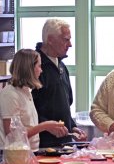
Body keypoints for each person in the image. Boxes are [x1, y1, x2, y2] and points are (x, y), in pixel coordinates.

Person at [32, 18, 87, 148]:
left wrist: (72, 126)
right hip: (43, 144)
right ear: (50, 40)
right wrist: (47, 126)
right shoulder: (34, 68)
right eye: (66, 39)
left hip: (64, 142)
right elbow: (28, 110)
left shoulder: (61, 66)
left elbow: (66, 104)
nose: (70, 45)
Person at [0, 49, 64, 152]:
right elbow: (12, 135)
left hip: (28, 152)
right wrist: (44, 126)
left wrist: (48, 127)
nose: (41, 70)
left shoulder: (26, 92)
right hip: (13, 155)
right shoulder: (10, 94)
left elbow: (27, 126)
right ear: (29, 68)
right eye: (39, 66)